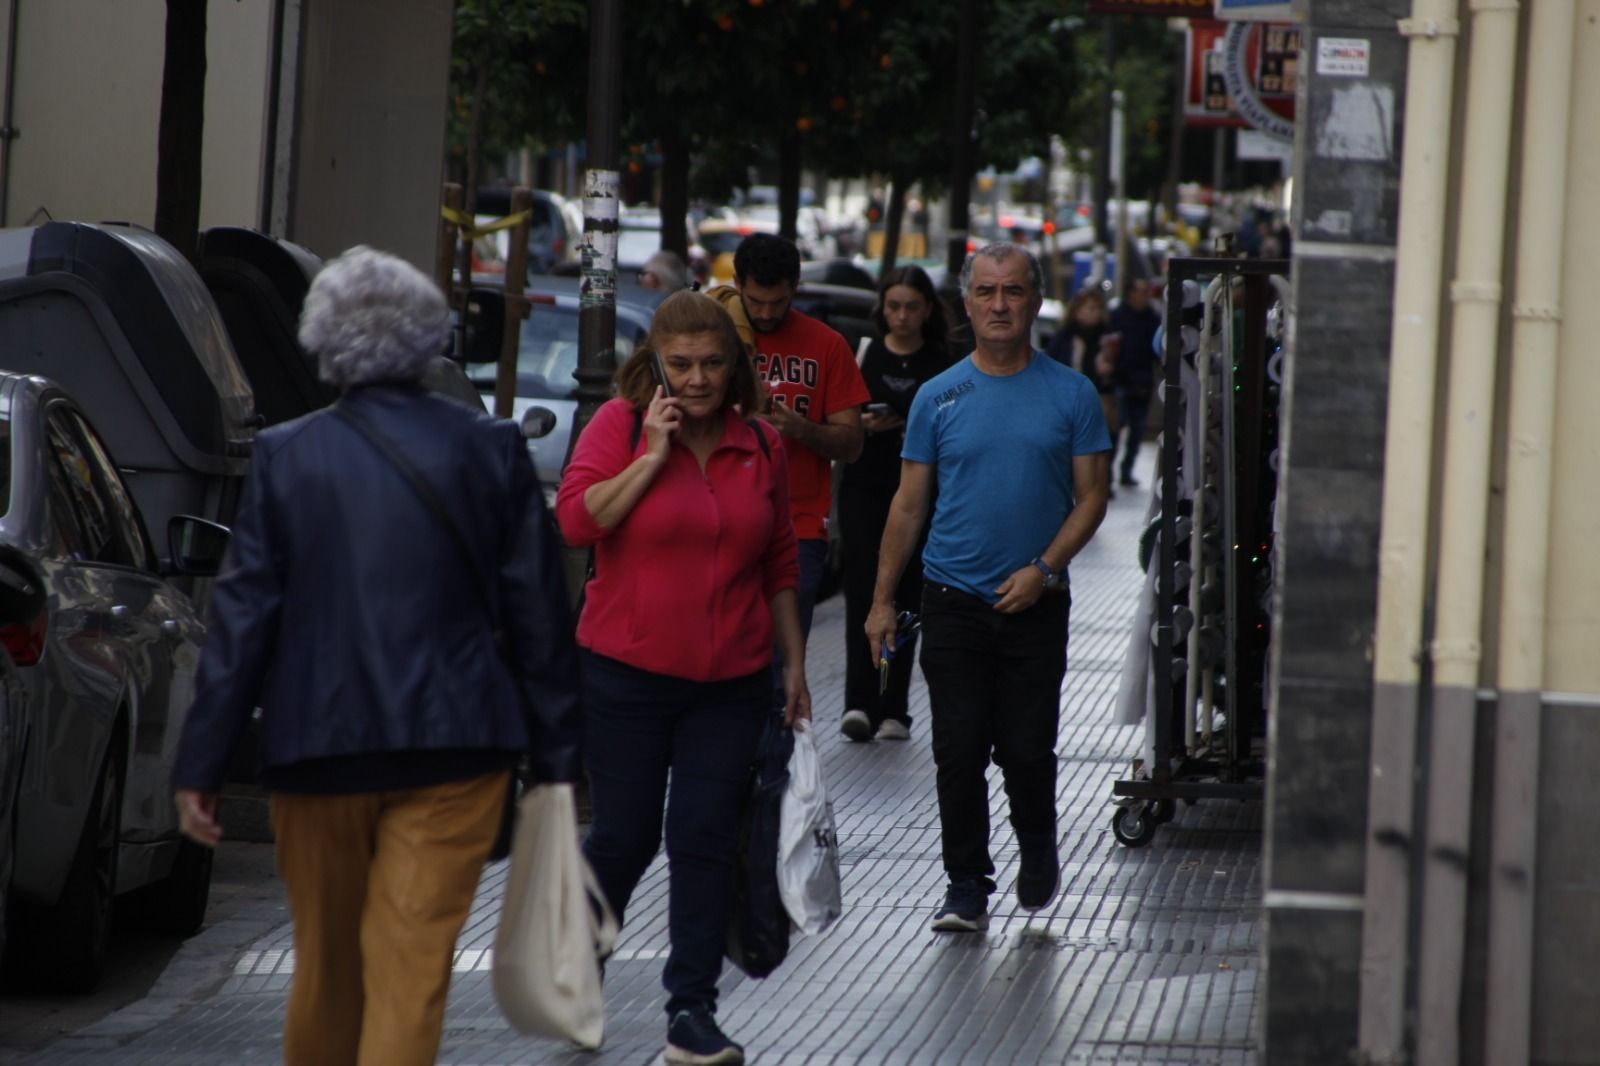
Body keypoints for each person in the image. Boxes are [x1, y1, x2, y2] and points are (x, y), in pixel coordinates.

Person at [171, 246, 580, 1066]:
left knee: (325, 969)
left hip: (319, 748)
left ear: (324, 341)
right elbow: (541, 619)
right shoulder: (494, 450)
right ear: (428, 335)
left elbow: (243, 619)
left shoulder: (287, 456)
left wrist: (202, 764)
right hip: (459, 747)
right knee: (412, 969)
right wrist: (564, 763)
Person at [555, 290, 810, 1066]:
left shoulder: (760, 445)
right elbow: (577, 520)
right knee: (624, 839)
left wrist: (794, 663)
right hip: (625, 677)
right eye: (681, 364)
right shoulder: (621, 426)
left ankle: (690, 1014)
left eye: (711, 363)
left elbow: (778, 562)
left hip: (730, 682)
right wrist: (652, 457)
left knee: (702, 840)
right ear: (656, 364)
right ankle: (575, 973)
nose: (696, 379)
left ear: (734, 365)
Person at [866, 242, 1110, 933]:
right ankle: (966, 883)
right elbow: (909, 505)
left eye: (1012, 292)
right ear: (966, 305)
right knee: (959, 749)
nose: (999, 305)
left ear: (1035, 301)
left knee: (1027, 750)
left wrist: (1046, 568)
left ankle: (1038, 845)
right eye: (985, 292)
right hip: (952, 602)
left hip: (1037, 604)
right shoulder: (937, 397)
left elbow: (1092, 499)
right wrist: (883, 600)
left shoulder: (1072, 393)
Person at [733, 233, 868, 660]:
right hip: (722, 520)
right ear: (738, 285)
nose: (767, 313)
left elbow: (851, 445)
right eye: (756, 301)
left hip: (798, 528)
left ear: (794, 287)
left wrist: (800, 429)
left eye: (777, 301)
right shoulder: (717, 338)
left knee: (780, 662)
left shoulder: (826, 345)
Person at [839, 266, 950, 743]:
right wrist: (861, 425)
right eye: (893, 306)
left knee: (907, 598)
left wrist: (908, 427)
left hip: (919, 495)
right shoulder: (863, 354)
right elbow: (840, 419)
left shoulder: (944, 363)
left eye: (911, 307)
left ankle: (893, 707)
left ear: (927, 310)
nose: (902, 317)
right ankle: (857, 702)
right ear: (881, 310)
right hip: (865, 490)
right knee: (863, 596)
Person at [1047, 287, 1117, 457]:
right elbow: (1051, 364)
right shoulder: (1065, 337)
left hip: (1100, 397)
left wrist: (1111, 369)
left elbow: (1124, 366)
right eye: (1091, 308)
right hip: (1069, 399)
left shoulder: (1107, 336)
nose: (1096, 313)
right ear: (1077, 311)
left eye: (1098, 308)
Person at [1109, 277, 1161, 487]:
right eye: (1139, 291)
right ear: (1130, 294)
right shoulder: (1117, 316)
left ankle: (1126, 470)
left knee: (1137, 430)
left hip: (1142, 381)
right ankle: (1108, 475)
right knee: (1115, 429)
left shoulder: (1152, 318)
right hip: (1119, 381)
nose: (1143, 296)